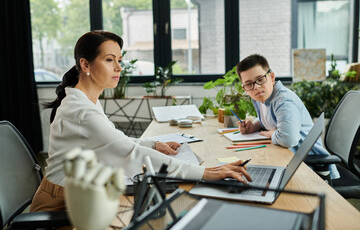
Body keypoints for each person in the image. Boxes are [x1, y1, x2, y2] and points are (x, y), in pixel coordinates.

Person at [30, 30, 252, 212]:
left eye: (119, 60)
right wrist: (206, 173)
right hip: (60, 205)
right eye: (109, 60)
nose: (118, 67)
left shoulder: (85, 100)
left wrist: (153, 144)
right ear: (85, 65)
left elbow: (117, 140)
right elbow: (132, 154)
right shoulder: (82, 112)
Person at [236, 54, 339, 180]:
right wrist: (254, 126)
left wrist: (272, 134)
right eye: (249, 84)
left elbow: (288, 139)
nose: (256, 86)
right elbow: (270, 119)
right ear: (245, 89)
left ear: (272, 77)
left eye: (260, 79)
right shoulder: (261, 97)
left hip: (307, 167)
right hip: (286, 158)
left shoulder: (284, 101)